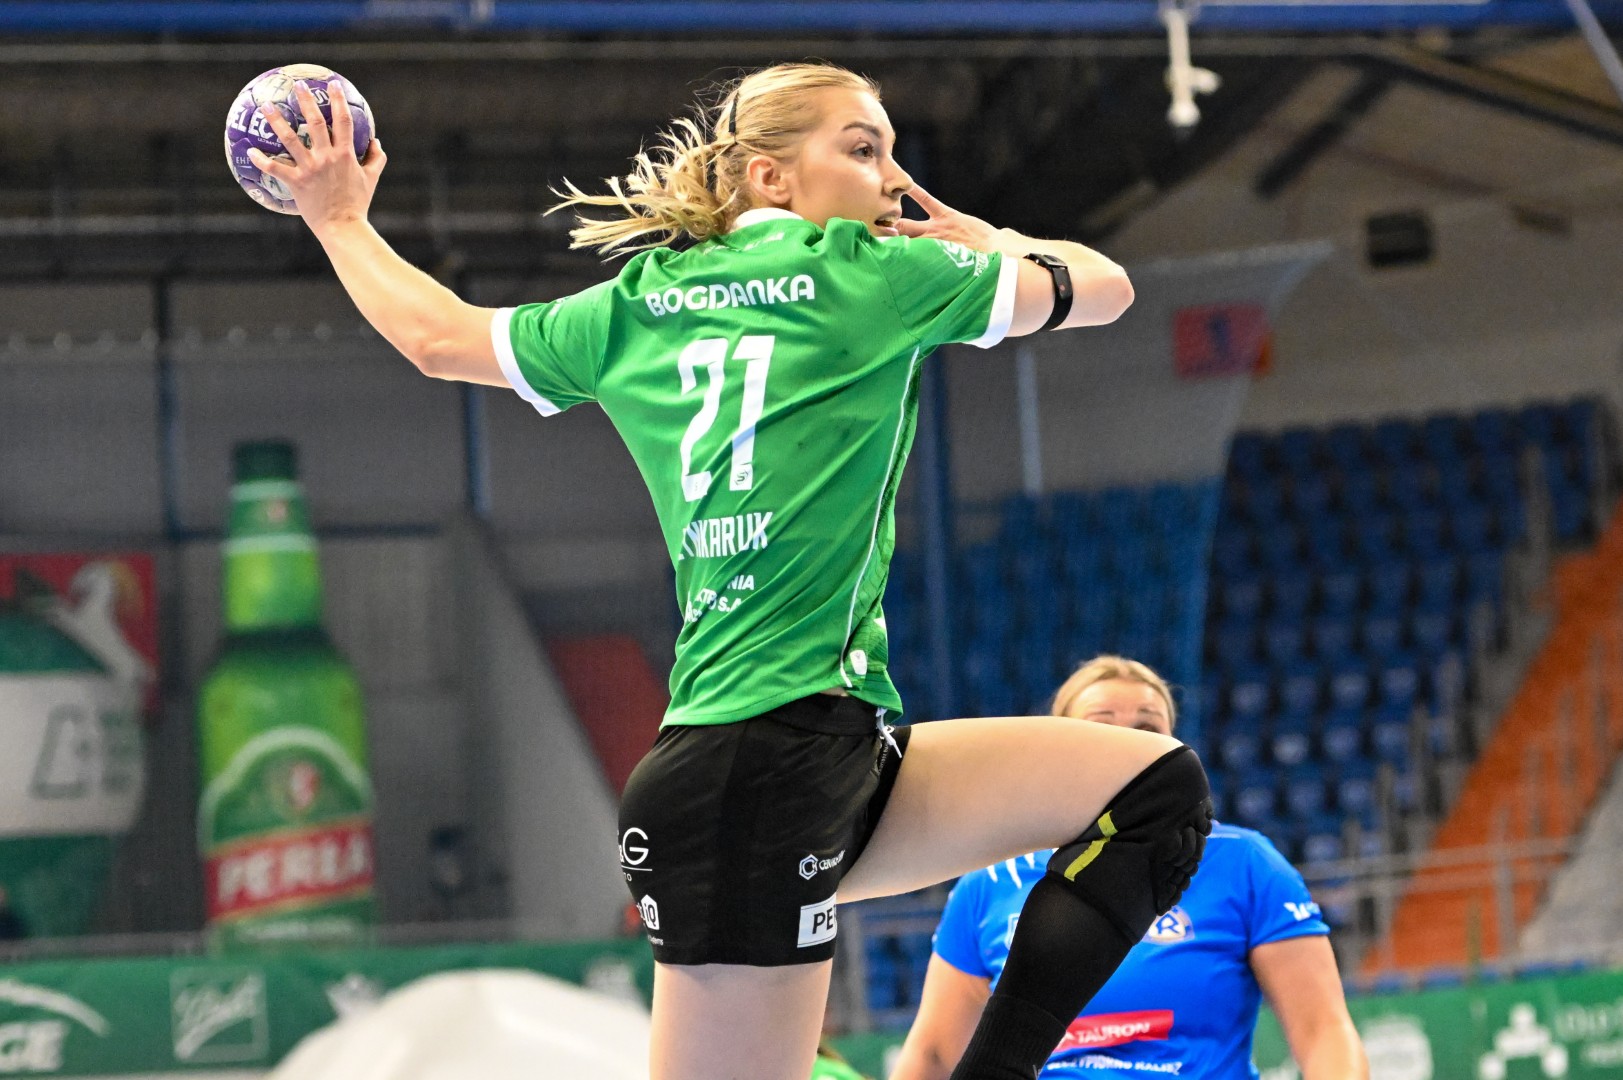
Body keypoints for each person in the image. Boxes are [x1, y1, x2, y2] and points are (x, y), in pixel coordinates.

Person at [248, 61, 1214, 1080]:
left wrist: (337, 218)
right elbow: (1105, 287)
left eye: (890, 152)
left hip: (824, 756)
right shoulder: (877, 274)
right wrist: (983, 237)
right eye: (862, 149)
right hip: (765, 777)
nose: (892, 179)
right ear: (768, 177)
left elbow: (440, 338)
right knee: (1157, 797)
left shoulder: (637, 303)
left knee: (1154, 787)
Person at [892, 656, 1367, 1080]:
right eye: (1102, 728)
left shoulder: (1244, 862)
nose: (1127, 745)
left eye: (1148, 730)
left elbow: (1323, 1032)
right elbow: (934, 1055)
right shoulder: (990, 881)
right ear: (1057, 751)